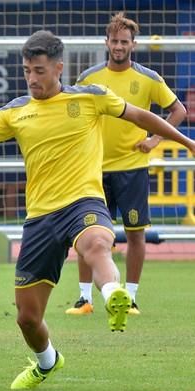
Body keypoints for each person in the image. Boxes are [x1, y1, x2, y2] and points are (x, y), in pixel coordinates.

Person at [0, 31, 195, 390]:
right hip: (40, 218)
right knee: (27, 318)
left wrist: (187, 142)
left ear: (59, 68)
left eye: (40, 71)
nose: (32, 79)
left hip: (84, 202)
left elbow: (142, 117)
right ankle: (48, 362)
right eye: (28, 70)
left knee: (95, 244)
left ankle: (113, 295)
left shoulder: (90, 98)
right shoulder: (14, 111)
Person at [66, 13, 186, 316]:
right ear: (106, 42)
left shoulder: (149, 78)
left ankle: (130, 297)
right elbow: (73, 115)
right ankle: (84, 299)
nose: (118, 46)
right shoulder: (89, 78)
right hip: (93, 169)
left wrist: (154, 140)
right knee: (86, 232)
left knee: (135, 233)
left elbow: (178, 110)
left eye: (124, 41)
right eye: (114, 40)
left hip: (132, 168)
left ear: (133, 44)